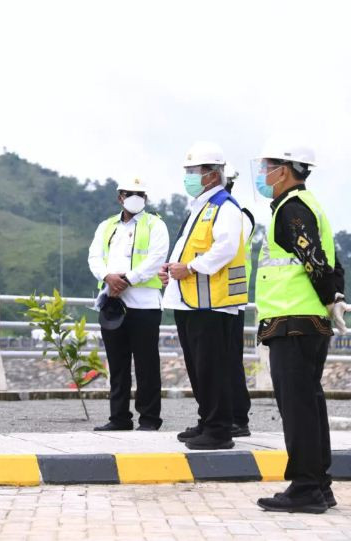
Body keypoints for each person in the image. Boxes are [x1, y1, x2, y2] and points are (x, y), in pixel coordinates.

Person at [251, 138, 348, 513]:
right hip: (306, 321)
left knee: (297, 406)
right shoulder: (309, 206)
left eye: (267, 167)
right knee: (309, 403)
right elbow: (331, 261)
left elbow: (313, 259)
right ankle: (320, 486)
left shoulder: (292, 209)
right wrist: (335, 297)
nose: (263, 175)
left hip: (293, 321)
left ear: (285, 170)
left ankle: (306, 487)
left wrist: (329, 297)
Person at [158, 141, 247, 450]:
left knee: (213, 368)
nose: (188, 177)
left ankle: (220, 429)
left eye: (192, 171)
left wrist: (191, 268)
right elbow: (190, 247)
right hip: (190, 301)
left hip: (212, 303)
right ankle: (207, 421)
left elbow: (225, 248)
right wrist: (172, 269)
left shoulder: (225, 207)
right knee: (198, 367)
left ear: (211, 175)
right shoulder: (202, 207)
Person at [88, 178, 169, 431]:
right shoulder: (107, 226)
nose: (136, 197)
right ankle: (119, 418)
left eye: (140, 193)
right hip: (113, 302)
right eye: (130, 193)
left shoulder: (155, 224)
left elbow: (157, 258)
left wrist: (128, 279)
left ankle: (149, 419)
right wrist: (107, 277)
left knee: (147, 364)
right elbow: (94, 256)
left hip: (144, 304)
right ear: (119, 197)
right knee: (117, 363)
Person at [224, 165, 254, 438]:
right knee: (221, 360)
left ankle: (238, 417)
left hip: (231, 298)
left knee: (231, 360)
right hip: (215, 297)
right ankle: (225, 415)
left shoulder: (238, 216)